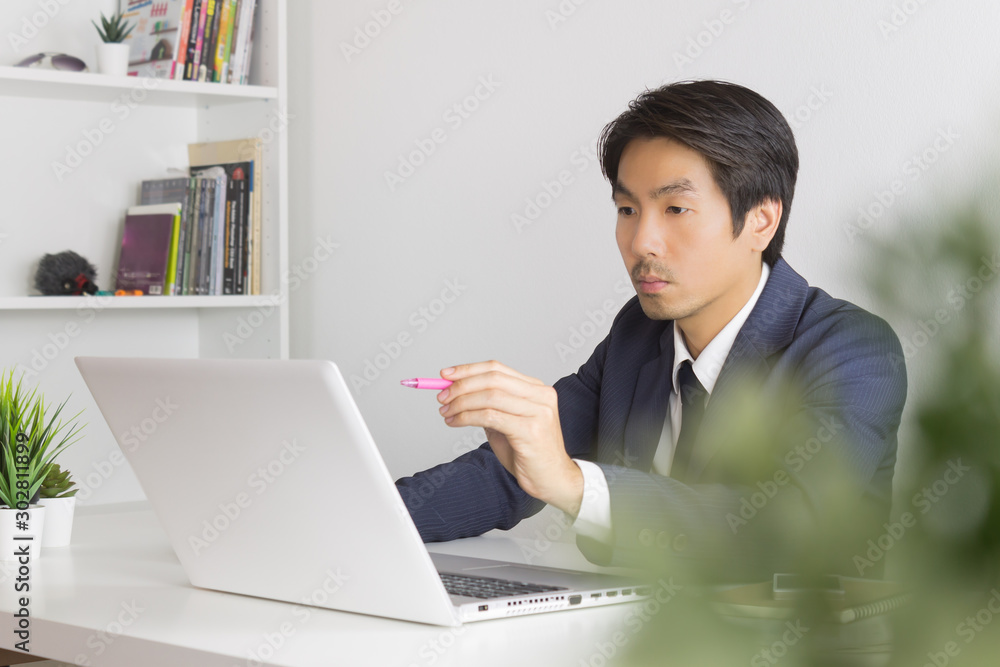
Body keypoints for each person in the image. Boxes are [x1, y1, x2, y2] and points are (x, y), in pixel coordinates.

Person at [394, 79, 907, 580]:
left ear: (761, 221)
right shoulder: (637, 334)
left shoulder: (853, 349)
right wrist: (357, 517)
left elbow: (786, 530)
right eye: (627, 209)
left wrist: (574, 486)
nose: (641, 242)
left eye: (675, 209)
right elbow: (509, 476)